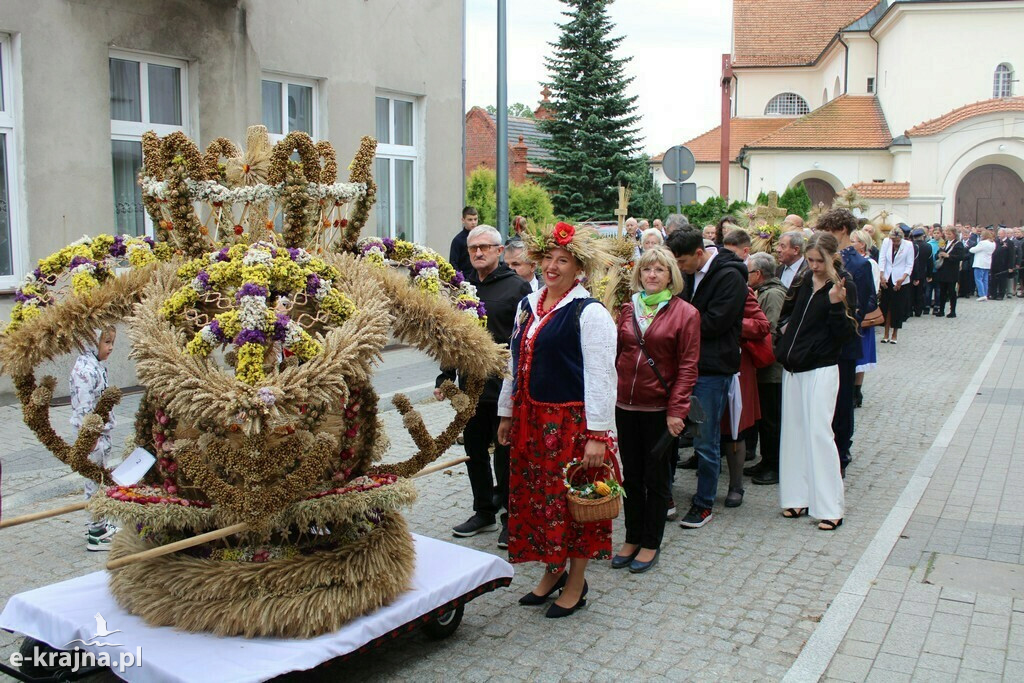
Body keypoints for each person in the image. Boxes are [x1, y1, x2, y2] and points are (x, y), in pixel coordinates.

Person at [496, 222, 617, 618]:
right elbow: (514, 363)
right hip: (532, 421)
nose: (552, 266)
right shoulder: (527, 305)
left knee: (574, 504)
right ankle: (552, 571)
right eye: (547, 258)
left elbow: (601, 375)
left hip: (571, 425)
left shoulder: (590, 312)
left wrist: (598, 434)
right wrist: (507, 412)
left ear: (577, 267)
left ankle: (577, 583)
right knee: (541, 502)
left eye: (562, 260)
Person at [438, 226, 533, 546]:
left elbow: (526, 340)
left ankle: (512, 517)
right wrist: (446, 375)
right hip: (471, 388)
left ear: (498, 251)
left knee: (506, 456)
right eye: (472, 248)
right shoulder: (462, 288)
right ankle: (483, 512)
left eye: (484, 247)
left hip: (505, 388)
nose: (478, 252)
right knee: (473, 451)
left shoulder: (518, 288)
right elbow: (455, 337)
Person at [612, 248, 699, 574]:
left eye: (659, 270)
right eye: (647, 269)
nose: (652, 275)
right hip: (625, 406)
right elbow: (618, 355)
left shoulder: (685, 313)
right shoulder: (626, 308)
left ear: (670, 276)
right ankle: (632, 537)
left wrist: (677, 410)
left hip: (661, 410)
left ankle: (651, 542)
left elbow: (688, 367)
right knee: (631, 478)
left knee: (657, 478)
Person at [665, 229, 748, 528]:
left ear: (699, 253)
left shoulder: (730, 275)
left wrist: (676, 323)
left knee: (705, 439)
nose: (679, 268)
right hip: (682, 364)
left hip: (712, 369)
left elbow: (715, 322)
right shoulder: (687, 272)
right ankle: (667, 494)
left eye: (682, 261)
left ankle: (704, 503)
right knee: (671, 435)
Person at [775, 232, 857, 531]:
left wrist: (836, 305)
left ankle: (830, 506)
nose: (814, 266)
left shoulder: (842, 285)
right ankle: (796, 497)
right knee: (794, 433)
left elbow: (847, 335)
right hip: (793, 367)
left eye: (819, 261)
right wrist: (781, 340)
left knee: (820, 435)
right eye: (810, 261)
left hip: (822, 368)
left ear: (832, 258)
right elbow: (787, 316)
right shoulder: (803, 281)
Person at [819, 209, 870, 478]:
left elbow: (862, 304)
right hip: (824, 345)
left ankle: (842, 449)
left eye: (827, 230)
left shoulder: (857, 265)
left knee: (842, 400)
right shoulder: (825, 259)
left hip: (845, 344)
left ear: (840, 230)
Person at [721, 229, 770, 505]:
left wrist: (733, 325)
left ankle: (736, 485)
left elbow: (763, 325)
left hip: (739, 368)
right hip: (711, 365)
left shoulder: (744, 290)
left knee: (735, 428)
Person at [70, 326, 118, 551]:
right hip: (92, 436)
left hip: (100, 433)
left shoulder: (95, 365)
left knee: (99, 481)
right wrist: (90, 436)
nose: (110, 348)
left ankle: (101, 523)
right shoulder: (85, 371)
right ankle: (96, 533)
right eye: (106, 342)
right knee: (93, 483)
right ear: (92, 341)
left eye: (112, 343)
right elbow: (84, 407)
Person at [742, 252, 787, 486]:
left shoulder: (774, 294)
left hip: (773, 369)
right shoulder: (765, 292)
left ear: (758, 274)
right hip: (764, 367)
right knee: (765, 419)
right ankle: (766, 460)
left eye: (747, 271)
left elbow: (771, 329)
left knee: (772, 419)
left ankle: (774, 464)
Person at [850, 229, 880, 406]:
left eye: (854, 241)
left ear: (862, 244)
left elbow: (872, 290)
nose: (851, 243)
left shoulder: (869, 264)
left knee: (861, 355)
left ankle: (857, 390)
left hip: (862, 312)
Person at [878, 227, 914, 344]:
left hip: (901, 279)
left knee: (897, 308)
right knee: (886, 306)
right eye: (893, 241)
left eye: (897, 241)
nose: (895, 243)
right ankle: (886, 333)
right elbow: (882, 259)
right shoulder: (886, 242)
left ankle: (895, 333)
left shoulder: (908, 245)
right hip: (888, 277)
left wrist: (902, 278)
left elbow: (909, 264)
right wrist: (881, 275)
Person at [933, 226, 966, 318]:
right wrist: (939, 255)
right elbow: (937, 253)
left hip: (952, 271)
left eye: (949, 234)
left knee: (951, 292)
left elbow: (961, 257)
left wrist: (948, 256)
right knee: (942, 292)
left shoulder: (958, 244)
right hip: (943, 271)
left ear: (954, 235)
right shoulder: (945, 243)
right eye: (946, 234)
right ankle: (941, 310)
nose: (947, 235)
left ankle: (953, 311)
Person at [448, 206, 479, 280]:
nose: (473, 222)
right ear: (463, 220)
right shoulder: (458, 240)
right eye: (470, 220)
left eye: (475, 219)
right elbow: (453, 263)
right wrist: (461, 280)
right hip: (466, 279)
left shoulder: (481, 237)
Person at [909, 227, 934, 317]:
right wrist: (929, 274)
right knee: (920, 292)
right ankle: (918, 310)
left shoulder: (910, 245)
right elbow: (930, 262)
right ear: (923, 236)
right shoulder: (928, 246)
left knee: (910, 292)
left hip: (910, 272)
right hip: (922, 272)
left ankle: (909, 310)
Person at [969, 229, 996, 301]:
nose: (980, 236)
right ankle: (985, 294)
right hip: (987, 263)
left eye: (981, 235)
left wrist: (971, 248)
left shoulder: (982, 243)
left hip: (979, 263)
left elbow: (973, 250)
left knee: (978, 279)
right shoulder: (993, 243)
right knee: (985, 280)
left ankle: (982, 294)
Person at [991, 227, 1014, 300]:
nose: (998, 235)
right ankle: (993, 294)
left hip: (1004, 264)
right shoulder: (996, 241)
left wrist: (1011, 266)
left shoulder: (1009, 242)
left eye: (1000, 234)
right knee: (993, 280)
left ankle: (1001, 294)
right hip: (994, 264)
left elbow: (1011, 255)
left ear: (1004, 234)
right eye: (998, 234)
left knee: (1002, 280)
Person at [960, 225, 978, 297]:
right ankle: (961, 291)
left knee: (968, 278)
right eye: (963, 235)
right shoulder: (960, 242)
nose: (965, 236)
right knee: (961, 278)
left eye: (966, 235)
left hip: (968, 262)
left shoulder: (972, 243)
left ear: (969, 235)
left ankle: (968, 292)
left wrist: (962, 257)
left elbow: (970, 253)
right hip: (961, 262)